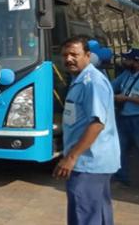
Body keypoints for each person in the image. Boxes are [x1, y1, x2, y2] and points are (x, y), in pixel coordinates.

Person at [53, 36, 120, 225]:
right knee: (97, 213)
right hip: (90, 162)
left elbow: (97, 124)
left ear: (88, 55)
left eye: (74, 54)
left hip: (88, 163)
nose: (68, 59)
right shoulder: (80, 80)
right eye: (65, 55)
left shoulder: (91, 82)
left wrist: (71, 157)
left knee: (84, 215)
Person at [111, 48, 139, 186]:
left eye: (128, 59)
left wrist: (126, 98)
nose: (124, 62)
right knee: (120, 147)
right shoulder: (126, 74)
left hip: (136, 118)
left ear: (136, 61)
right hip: (123, 117)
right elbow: (112, 86)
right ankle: (121, 177)